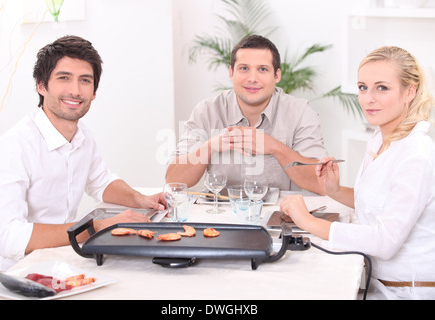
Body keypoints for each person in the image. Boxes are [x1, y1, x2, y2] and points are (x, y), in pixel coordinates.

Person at [0, 36, 166, 275]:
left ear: (94, 92)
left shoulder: (83, 136)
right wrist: (97, 227)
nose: (75, 90)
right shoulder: (13, 146)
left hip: (62, 261)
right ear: (41, 85)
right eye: (64, 78)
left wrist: (142, 199)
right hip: (17, 276)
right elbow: (9, 238)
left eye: (85, 80)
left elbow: (101, 182)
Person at [280, 46, 435, 299]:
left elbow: (385, 241)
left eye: (382, 88)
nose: (368, 98)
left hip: (406, 292)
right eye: (363, 87)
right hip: (376, 280)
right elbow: (384, 204)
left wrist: (306, 221)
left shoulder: (416, 152)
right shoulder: (381, 139)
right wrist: (335, 191)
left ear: (409, 92)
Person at [166, 35, 327, 194]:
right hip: (220, 215)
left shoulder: (300, 112)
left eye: (262, 69)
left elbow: (321, 184)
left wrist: (274, 147)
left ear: (277, 75)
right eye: (244, 68)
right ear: (231, 73)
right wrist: (210, 147)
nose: (252, 78)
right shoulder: (207, 111)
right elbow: (172, 180)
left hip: (279, 216)